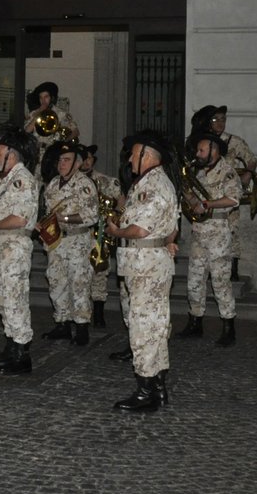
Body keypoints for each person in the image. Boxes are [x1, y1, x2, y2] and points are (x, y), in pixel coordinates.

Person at [107, 131, 181, 411]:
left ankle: (145, 391)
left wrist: (116, 231)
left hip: (147, 265)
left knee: (144, 328)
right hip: (148, 263)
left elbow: (139, 229)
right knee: (156, 327)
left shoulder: (155, 186)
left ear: (147, 155)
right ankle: (158, 388)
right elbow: (172, 227)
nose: (129, 158)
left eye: (132, 153)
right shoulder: (151, 183)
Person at [0, 126, 41, 375]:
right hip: (4, 245)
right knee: (4, 299)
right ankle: (12, 347)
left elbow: (20, 219)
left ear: (11, 152)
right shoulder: (10, 180)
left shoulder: (22, 180)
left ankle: (21, 355)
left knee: (14, 299)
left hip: (14, 245)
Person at [177, 128, 242, 346]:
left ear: (214, 150)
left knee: (220, 281)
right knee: (194, 280)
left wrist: (207, 204)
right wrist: (187, 194)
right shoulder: (199, 172)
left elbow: (233, 199)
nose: (198, 152)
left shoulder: (228, 172)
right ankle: (195, 322)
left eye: (202, 149)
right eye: (198, 149)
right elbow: (193, 199)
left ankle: (228, 326)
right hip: (199, 232)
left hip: (218, 232)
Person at [38, 139, 100, 345]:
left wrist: (63, 219)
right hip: (56, 242)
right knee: (56, 282)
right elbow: (48, 212)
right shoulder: (54, 184)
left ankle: (81, 327)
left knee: (79, 284)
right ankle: (62, 323)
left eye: (66, 160)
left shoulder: (85, 185)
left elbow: (92, 216)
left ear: (77, 163)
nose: (61, 164)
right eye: (60, 160)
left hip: (77, 241)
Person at [80, 144, 122, 327]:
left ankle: (98, 313)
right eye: (83, 158)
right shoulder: (72, 183)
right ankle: (80, 314)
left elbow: (121, 203)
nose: (86, 162)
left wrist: (114, 219)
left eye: (89, 158)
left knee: (99, 273)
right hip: (79, 235)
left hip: (98, 234)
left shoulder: (107, 181)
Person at [190, 104, 257, 191]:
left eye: (223, 119)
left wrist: (248, 175)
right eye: (215, 119)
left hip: (229, 190)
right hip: (205, 190)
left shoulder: (235, 141)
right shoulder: (199, 141)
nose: (220, 122)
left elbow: (252, 160)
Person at [23, 81, 79, 160]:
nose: (43, 100)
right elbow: (26, 131)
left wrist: (63, 143)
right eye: (41, 97)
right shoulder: (34, 113)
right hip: (37, 153)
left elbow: (76, 131)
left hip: (53, 154)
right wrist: (38, 113)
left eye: (46, 97)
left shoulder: (61, 114)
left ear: (51, 98)